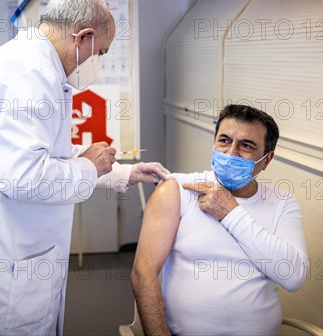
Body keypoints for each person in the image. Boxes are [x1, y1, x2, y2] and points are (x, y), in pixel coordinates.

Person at [0, 0, 169, 336]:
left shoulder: (28, 64)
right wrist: (88, 165)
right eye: (100, 52)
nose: (97, 63)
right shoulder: (32, 76)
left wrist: (121, 173)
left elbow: (46, 158)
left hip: (4, 245)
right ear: (83, 37)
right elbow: (25, 178)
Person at [131, 104, 308, 336]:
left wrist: (231, 212)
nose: (231, 152)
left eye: (246, 145)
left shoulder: (281, 202)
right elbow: (142, 273)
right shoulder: (178, 191)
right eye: (224, 140)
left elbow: (293, 276)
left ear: (267, 159)